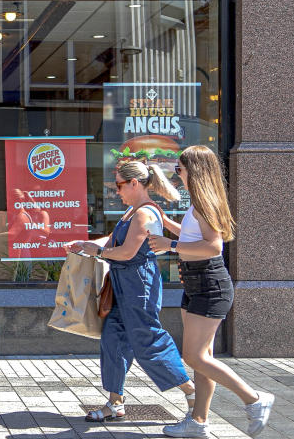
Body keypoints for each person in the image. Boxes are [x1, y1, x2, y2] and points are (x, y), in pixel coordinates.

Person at [148, 146, 274, 438]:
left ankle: (254, 399)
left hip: (209, 283)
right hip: (196, 282)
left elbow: (213, 247)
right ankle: (198, 422)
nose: (177, 175)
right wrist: (168, 226)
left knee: (194, 357)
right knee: (202, 358)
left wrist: (170, 246)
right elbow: (196, 236)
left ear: (195, 170)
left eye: (180, 169)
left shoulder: (205, 202)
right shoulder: (198, 203)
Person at [67, 161, 196, 422]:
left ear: (134, 183)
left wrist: (98, 252)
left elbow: (126, 252)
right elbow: (116, 242)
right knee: (113, 339)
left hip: (139, 284)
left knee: (147, 340)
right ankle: (115, 402)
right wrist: (84, 244)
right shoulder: (132, 212)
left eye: (119, 185)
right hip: (124, 284)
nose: (117, 191)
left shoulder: (143, 213)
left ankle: (192, 392)